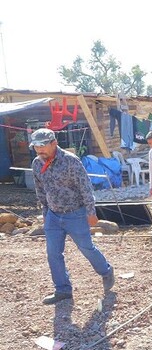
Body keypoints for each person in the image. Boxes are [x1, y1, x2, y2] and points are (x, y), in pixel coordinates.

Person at [30, 128, 115, 305]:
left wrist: (91, 213)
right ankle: (62, 290)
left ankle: (106, 271)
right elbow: (40, 190)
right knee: (53, 253)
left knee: (86, 248)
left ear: (54, 143)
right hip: (53, 215)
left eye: (43, 146)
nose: (39, 151)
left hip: (75, 214)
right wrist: (45, 212)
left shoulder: (70, 161)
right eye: (36, 147)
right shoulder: (37, 164)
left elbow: (85, 188)